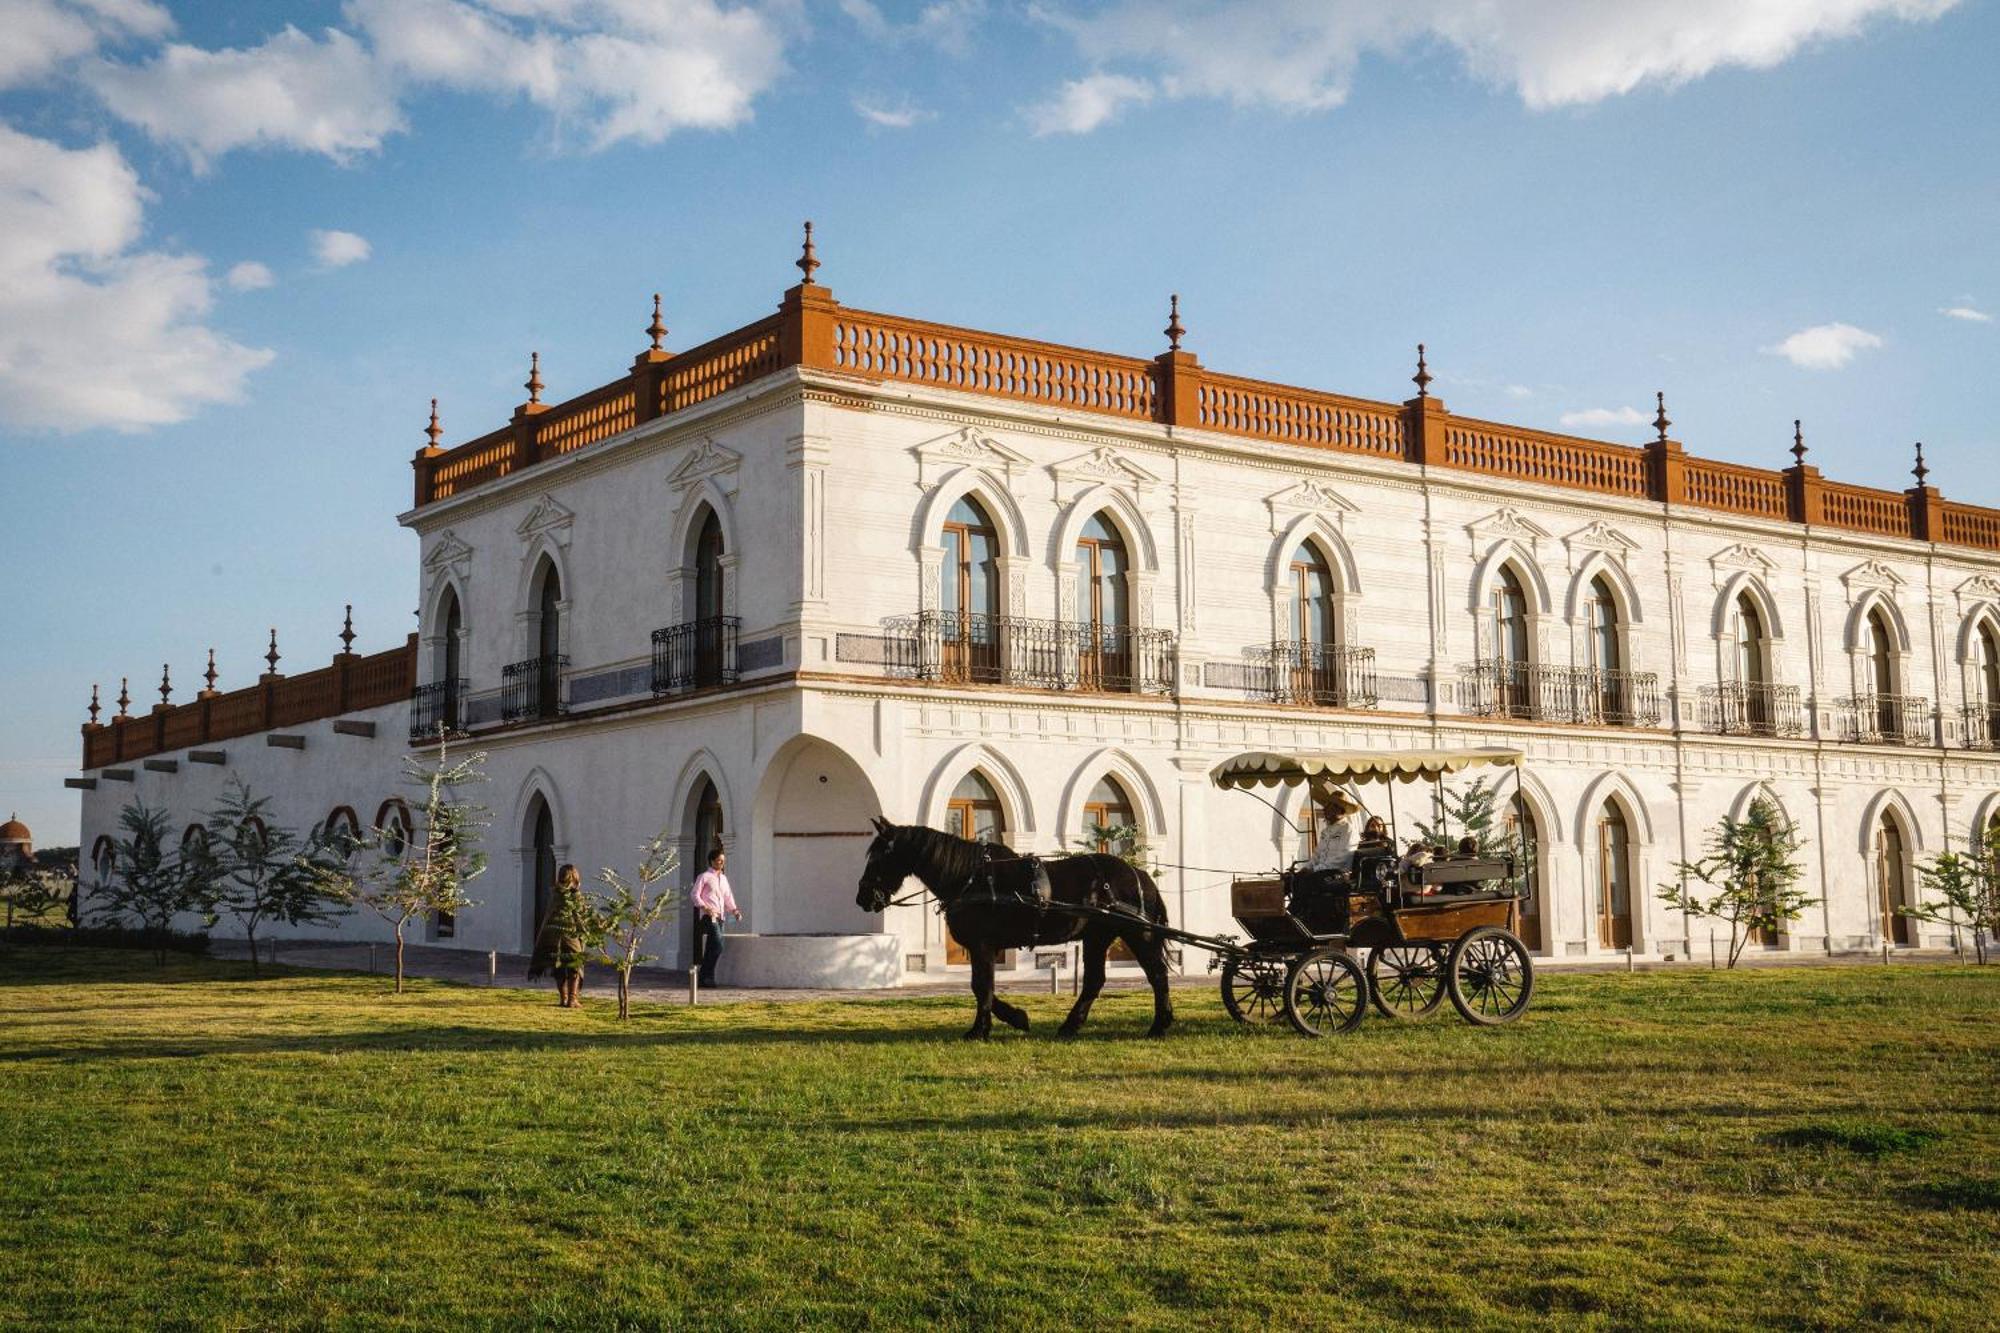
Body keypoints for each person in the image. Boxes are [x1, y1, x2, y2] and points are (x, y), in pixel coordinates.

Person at [528, 863, 590, 1007]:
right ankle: (572, 999)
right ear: (574, 877)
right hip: (570, 936)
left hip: (552, 936)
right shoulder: (574, 895)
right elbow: (580, 916)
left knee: (559, 967)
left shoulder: (554, 894)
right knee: (575, 965)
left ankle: (563, 998)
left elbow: (548, 916)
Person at [690, 845, 741, 987]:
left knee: (711, 948)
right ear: (712, 861)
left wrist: (734, 910)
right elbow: (694, 894)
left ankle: (704, 978)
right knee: (718, 946)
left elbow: (727, 896)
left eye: (723, 861)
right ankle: (707, 976)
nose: (721, 863)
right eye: (719, 861)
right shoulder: (704, 877)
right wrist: (705, 908)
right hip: (709, 916)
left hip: (720, 917)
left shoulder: (723, 879)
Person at [1305, 790, 1363, 873]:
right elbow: (1317, 854)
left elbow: (1343, 858)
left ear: (1341, 810)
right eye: (1327, 804)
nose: (1326, 808)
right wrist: (1307, 868)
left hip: (1337, 875)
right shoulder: (1326, 831)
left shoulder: (1348, 829)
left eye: (1333, 805)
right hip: (1321, 872)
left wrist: (1316, 870)